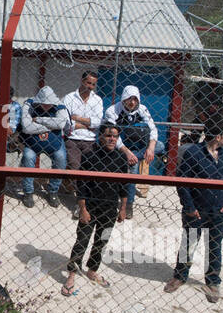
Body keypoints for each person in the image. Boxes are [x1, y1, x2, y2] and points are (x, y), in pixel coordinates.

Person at [164, 119, 223, 303]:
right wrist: (189, 207)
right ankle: (179, 277)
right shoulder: (193, 153)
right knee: (189, 243)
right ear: (218, 136)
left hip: (219, 210)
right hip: (196, 211)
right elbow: (182, 182)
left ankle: (212, 282)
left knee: (214, 246)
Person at [62, 123, 130, 294]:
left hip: (110, 207)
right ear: (101, 137)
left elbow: (124, 185)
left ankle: (92, 270)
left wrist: (123, 208)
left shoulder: (121, 158)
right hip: (90, 207)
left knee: (101, 241)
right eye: (108, 135)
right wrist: (82, 209)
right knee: (82, 240)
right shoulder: (89, 156)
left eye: (115, 136)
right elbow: (82, 184)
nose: (112, 139)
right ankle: (72, 274)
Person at [103, 85, 158, 218]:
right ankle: (128, 204)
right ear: (123, 99)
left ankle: (135, 158)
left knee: (159, 146)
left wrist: (150, 148)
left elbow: (153, 129)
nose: (132, 102)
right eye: (129, 99)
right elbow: (114, 137)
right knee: (132, 169)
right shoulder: (113, 111)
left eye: (135, 99)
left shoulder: (142, 109)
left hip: (137, 146)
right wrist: (127, 153)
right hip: (118, 146)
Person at [18, 86, 71, 208]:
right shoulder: (29, 104)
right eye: (44, 103)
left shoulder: (59, 105)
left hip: (54, 143)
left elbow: (61, 123)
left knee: (61, 158)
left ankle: (52, 191)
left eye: (49, 103)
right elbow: (26, 127)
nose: (47, 106)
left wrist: (38, 120)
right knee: (27, 157)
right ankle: (28, 192)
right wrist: (51, 126)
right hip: (32, 143)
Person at [61, 71, 104, 192]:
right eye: (88, 83)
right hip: (72, 138)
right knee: (75, 167)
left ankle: (84, 194)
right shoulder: (69, 98)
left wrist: (77, 119)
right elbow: (67, 122)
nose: (90, 87)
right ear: (82, 81)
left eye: (93, 84)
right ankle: (79, 196)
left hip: (90, 140)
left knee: (90, 167)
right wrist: (87, 124)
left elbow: (97, 122)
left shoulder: (97, 100)